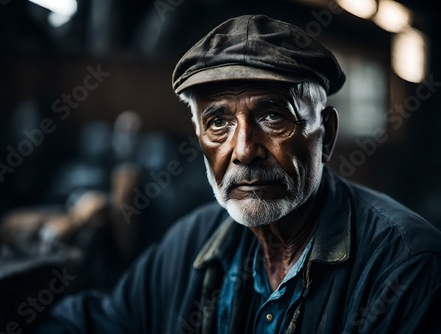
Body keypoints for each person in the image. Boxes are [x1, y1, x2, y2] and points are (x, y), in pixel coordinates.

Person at [33, 15, 441, 333]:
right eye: (218, 122)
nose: (244, 150)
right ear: (199, 136)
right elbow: (100, 322)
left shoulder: (406, 267)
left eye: (272, 115)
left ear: (327, 135)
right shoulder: (190, 244)